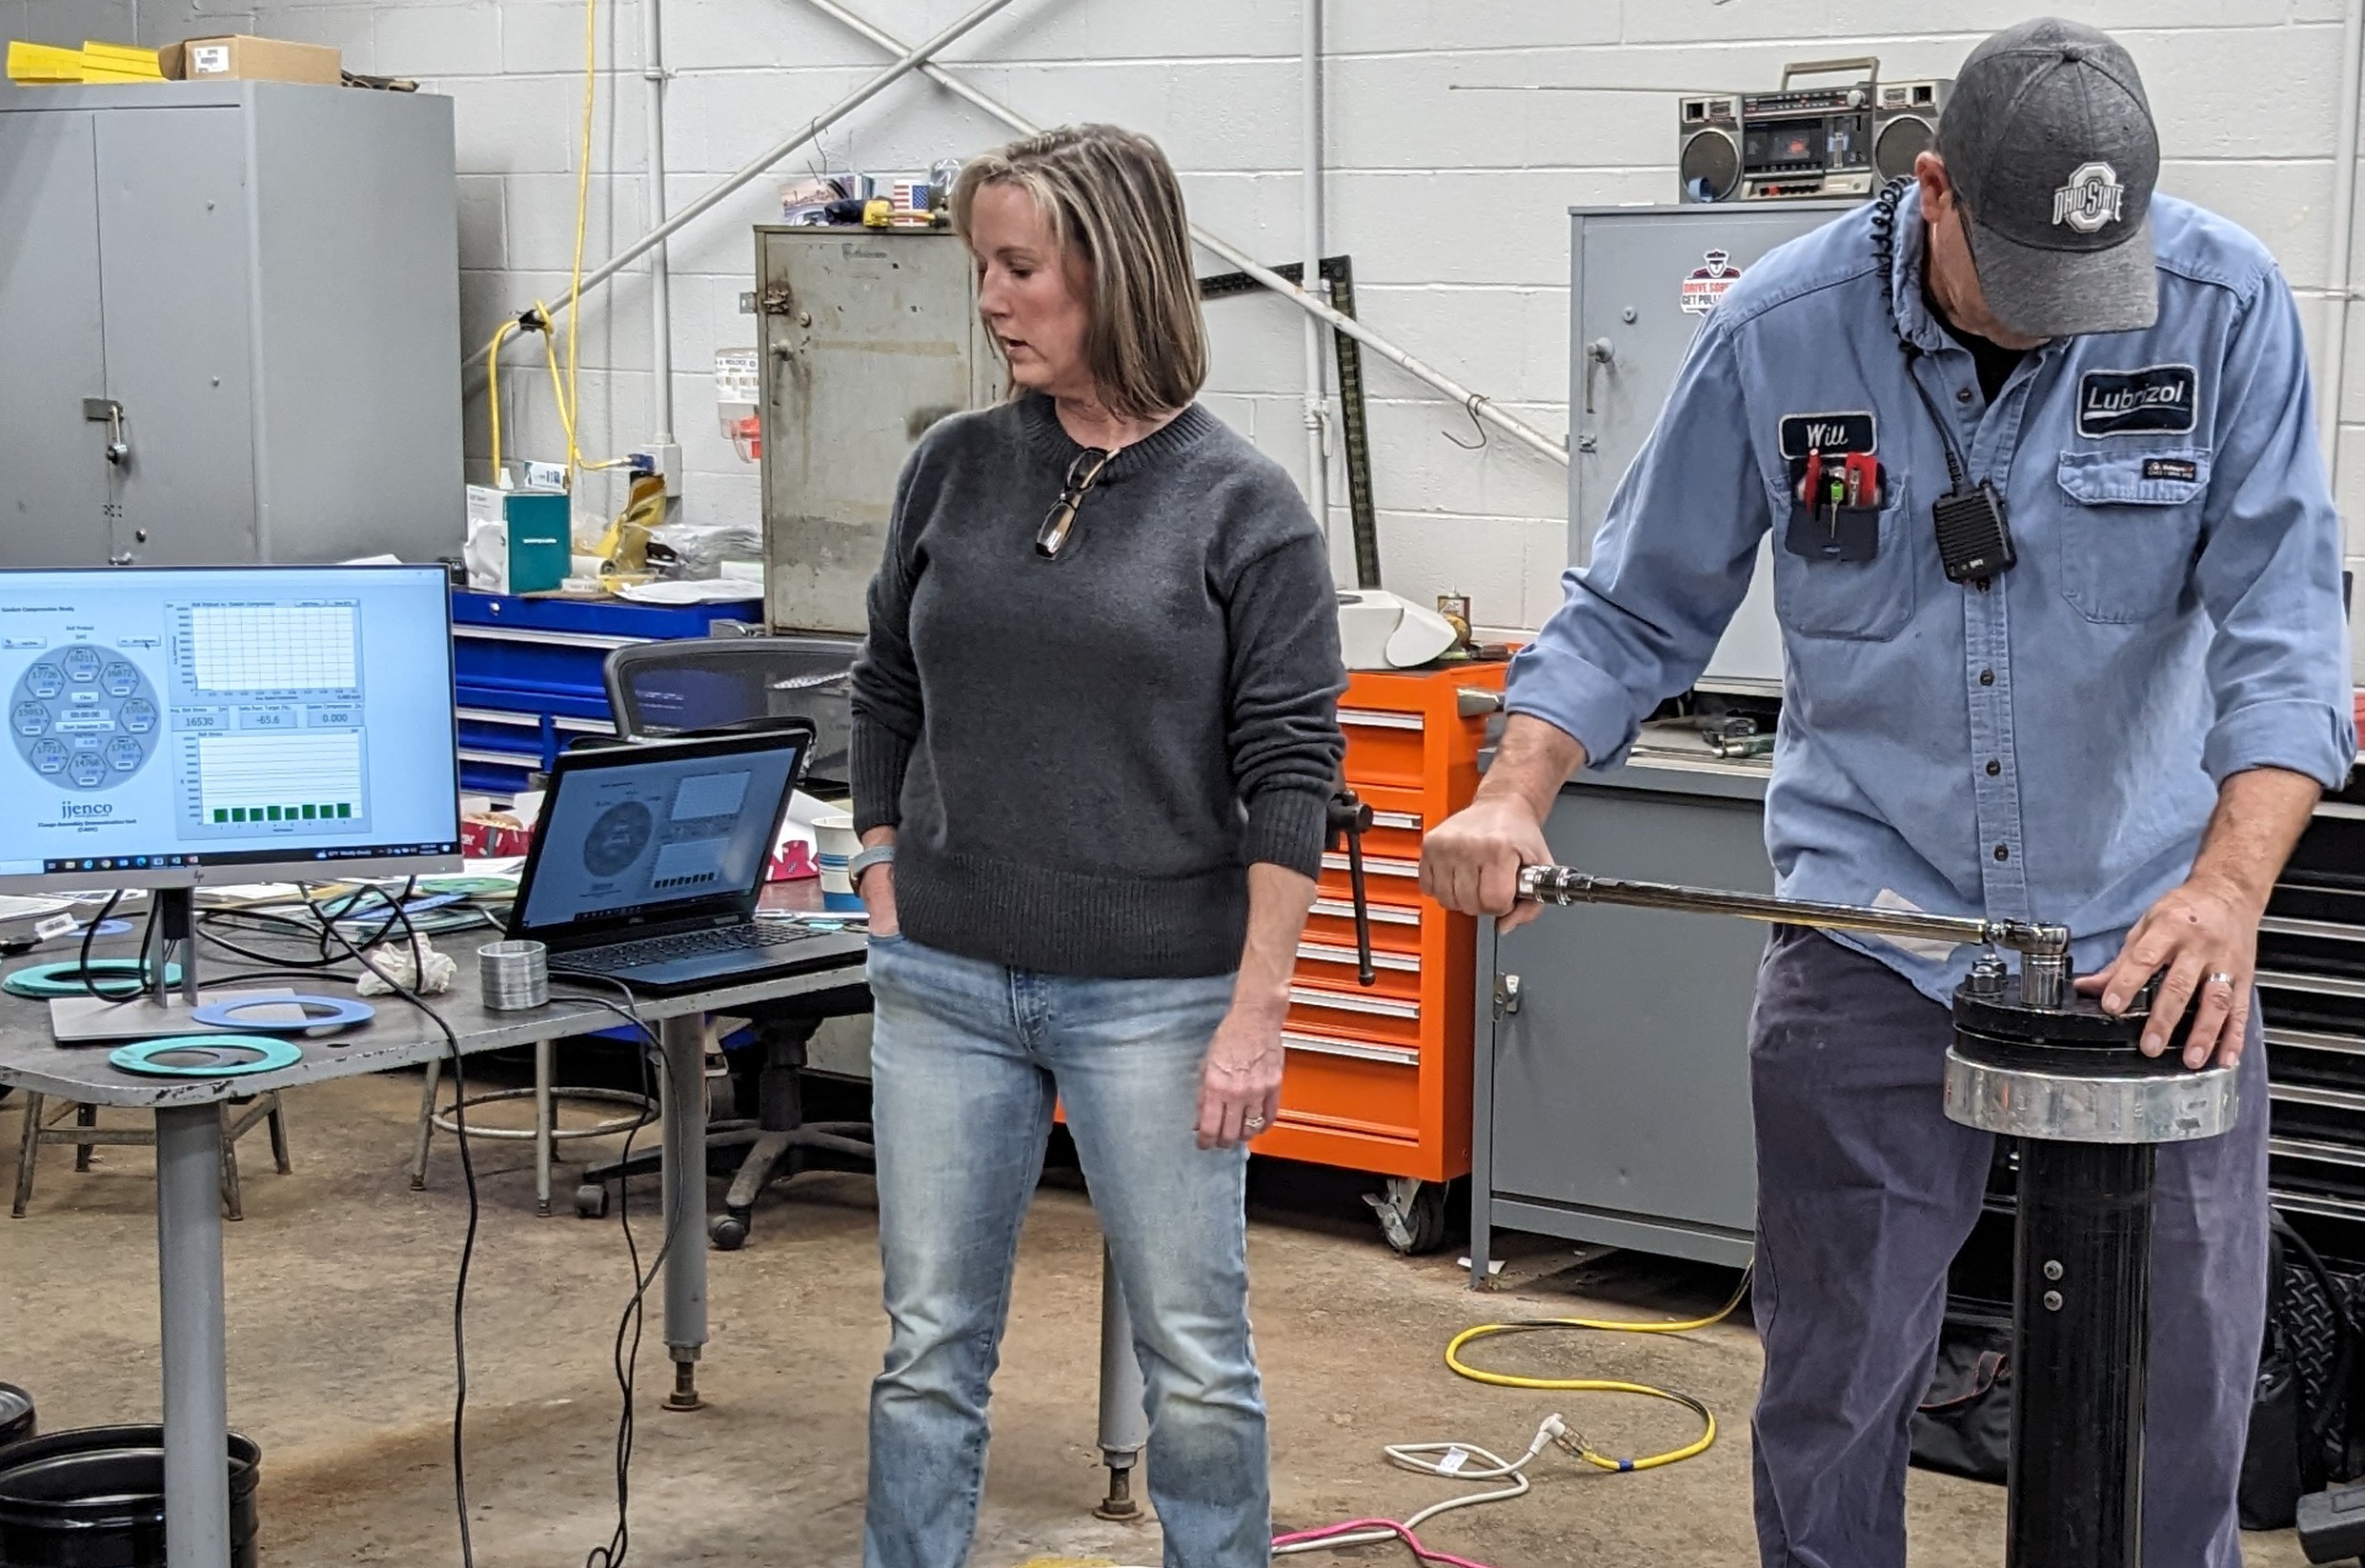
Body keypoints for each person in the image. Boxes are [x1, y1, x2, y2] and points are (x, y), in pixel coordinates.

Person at [1421, 19, 2354, 1568]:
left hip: (2149, 934)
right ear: (1931, 191)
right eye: (2024, 282)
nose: (2064, 328)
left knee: (2173, 1389)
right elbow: (1636, 603)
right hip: (1872, 924)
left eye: (2091, 290)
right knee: (1836, 1378)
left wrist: (2225, 891)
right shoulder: (1780, 331)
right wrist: (1515, 789)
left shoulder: (2220, 303)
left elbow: (2285, 634)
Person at [847, 123, 1346, 1568]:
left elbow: (1288, 771)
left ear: (1112, 269)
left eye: (1019, 267)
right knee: (927, 1343)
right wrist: (885, 863)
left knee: (1194, 1353)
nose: (991, 300)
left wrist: (1257, 1008)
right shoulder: (950, 466)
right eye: (981, 269)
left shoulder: (1242, 509)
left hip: (1158, 999)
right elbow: (883, 680)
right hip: (940, 978)